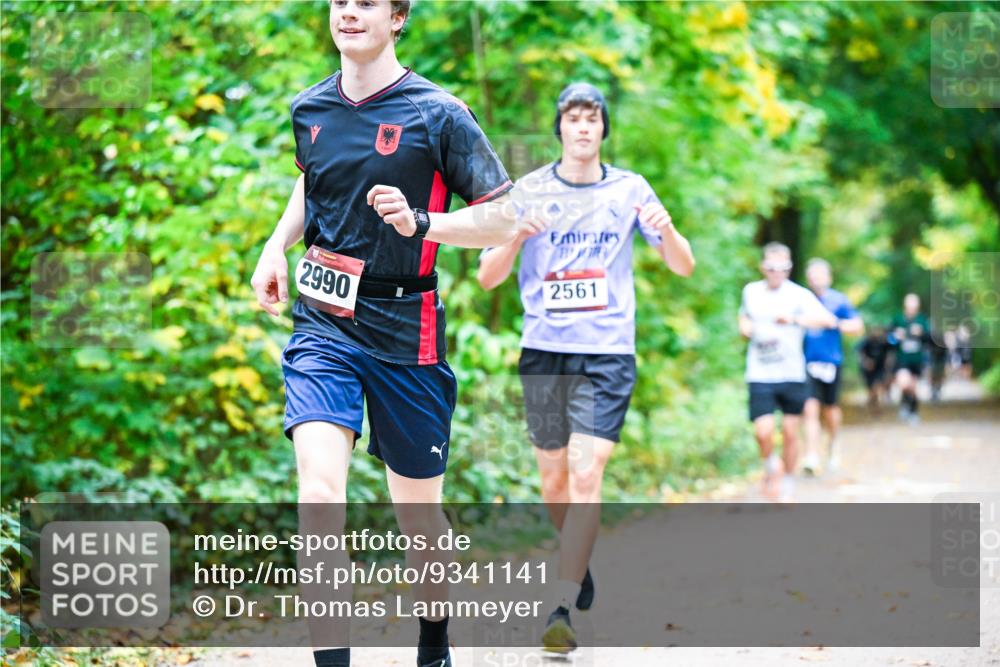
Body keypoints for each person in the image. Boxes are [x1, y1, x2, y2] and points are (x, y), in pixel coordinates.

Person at [250, 2, 516, 666]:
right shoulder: (310, 109)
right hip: (325, 323)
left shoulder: (439, 114)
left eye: (366, 2)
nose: (348, 12)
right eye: (340, 1)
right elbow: (313, 183)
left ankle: (434, 648)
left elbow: (505, 217)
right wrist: (275, 244)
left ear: (397, 18)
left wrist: (423, 223)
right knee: (318, 496)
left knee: (418, 518)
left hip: (408, 331)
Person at [477, 82, 695, 653]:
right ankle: (580, 561)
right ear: (560, 128)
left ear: (603, 129)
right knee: (553, 481)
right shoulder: (528, 190)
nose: (582, 127)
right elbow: (487, 277)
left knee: (585, 471)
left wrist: (667, 228)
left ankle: (562, 605)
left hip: (607, 351)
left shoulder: (630, 190)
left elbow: (683, 266)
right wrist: (514, 236)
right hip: (545, 348)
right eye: (572, 118)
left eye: (591, 118)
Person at [738, 243, 837, 502]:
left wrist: (794, 320)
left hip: (791, 373)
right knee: (763, 431)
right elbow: (744, 317)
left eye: (781, 268)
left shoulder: (799, 295)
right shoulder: (751, 292)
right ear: (763, 267)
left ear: (789, 268)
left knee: (791, 432)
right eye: (770, 267)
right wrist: (745, 327)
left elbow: (828, 321)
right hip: (760, 372)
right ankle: (771, 464)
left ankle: (788, 482)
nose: (775, 272)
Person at [800, 258, 864, 475]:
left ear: (828, 277)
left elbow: (857, 326)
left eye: (820, 274)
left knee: (830, 410)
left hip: (831, 363)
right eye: (812, 275)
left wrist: (834, 323)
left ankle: (833, 444)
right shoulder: (802, 300)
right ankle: (811, 455)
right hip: (805, 363)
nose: (816, 279)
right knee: (809, 409)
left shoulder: (839, 301)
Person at [889, 293, 932, 425]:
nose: (911, 306)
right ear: (905, 304)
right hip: (902, 359)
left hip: (917, 360)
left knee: (913, 387)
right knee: (903, 383)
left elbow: (930, 340)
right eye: (909, 303)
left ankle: (912, 411)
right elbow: (889, 340)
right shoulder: (897, 319)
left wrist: (921, 333)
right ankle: (905, 404)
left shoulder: (922, 320)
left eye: (914, 303)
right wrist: (896, 337)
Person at [857, 325, 893, 414]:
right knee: (872, 390)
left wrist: (888, 364)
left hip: (879, 369)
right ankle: (874, 407)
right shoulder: (866, 342)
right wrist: (866, 362)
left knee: (877, 387)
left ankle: (873, 405)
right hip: (868, 370)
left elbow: (890, 352)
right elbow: (860, 353)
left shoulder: (884, 342)